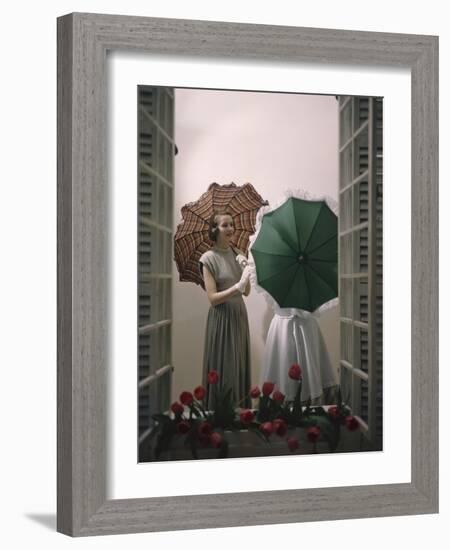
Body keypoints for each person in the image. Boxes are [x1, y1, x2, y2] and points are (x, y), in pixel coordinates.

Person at [199, 211, 253, 410]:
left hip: (239, 315)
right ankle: (219, 414)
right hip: (221, 318)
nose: (230, 228)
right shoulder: (208, 259)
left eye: (231, 224)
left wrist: (247, 270)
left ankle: (240, 414)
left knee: (238, 364)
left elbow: (246, 292)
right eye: (225, 225)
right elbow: (213, 299)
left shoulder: (238, 254)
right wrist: (235, 287)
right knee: (223, 366)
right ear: (215, 230)